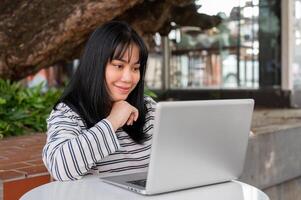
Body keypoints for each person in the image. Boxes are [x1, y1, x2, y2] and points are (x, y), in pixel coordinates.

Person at [42, 21, 156, 181]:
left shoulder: (148, 108)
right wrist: (113, 121)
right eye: (119, 66)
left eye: (135, 68)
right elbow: (60, 168)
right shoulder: (69, 112)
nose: (128, 78)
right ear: (96, 64)